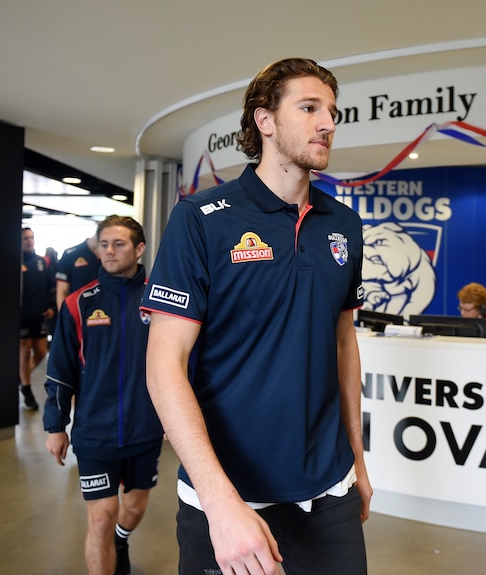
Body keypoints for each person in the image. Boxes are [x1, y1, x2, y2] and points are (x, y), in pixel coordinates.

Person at [141, 58, 371, 575]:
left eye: (332, 111)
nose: (327, 122)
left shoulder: (344, 224)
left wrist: (357, 460)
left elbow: (343, 344)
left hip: (329, 491)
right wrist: (220, 504)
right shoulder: (200, 219)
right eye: (309, 108)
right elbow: (163, 366)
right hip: (228, 498)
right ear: (264, 120)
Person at [44, 215, 163, 575]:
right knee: (100, 518)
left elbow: (182, 364)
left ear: (139, 249)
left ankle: (122, 538)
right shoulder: (79, 304)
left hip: (146, 431)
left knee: (135, 506)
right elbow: (60, 370)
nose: (109, 251)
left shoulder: (161, 299)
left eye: (119, 244)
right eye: (104, 244)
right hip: (95, 433)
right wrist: (55, 426)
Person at [19, 227, 55, 410]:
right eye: (25, 238)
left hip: (39, 315)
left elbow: (50, 286)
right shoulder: (15, 262)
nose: (29, 241)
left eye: (31, 238)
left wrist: (50, 306)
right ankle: (26, 389)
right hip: (21, 316)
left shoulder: (41, 262)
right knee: (24, 350)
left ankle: (20, 377)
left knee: (41, 351)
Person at [56, 236, 100, 311]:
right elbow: (62, 291)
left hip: (111, 313)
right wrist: (64, 319)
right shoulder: (71, 255)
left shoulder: (114, 254)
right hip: (80, 313)